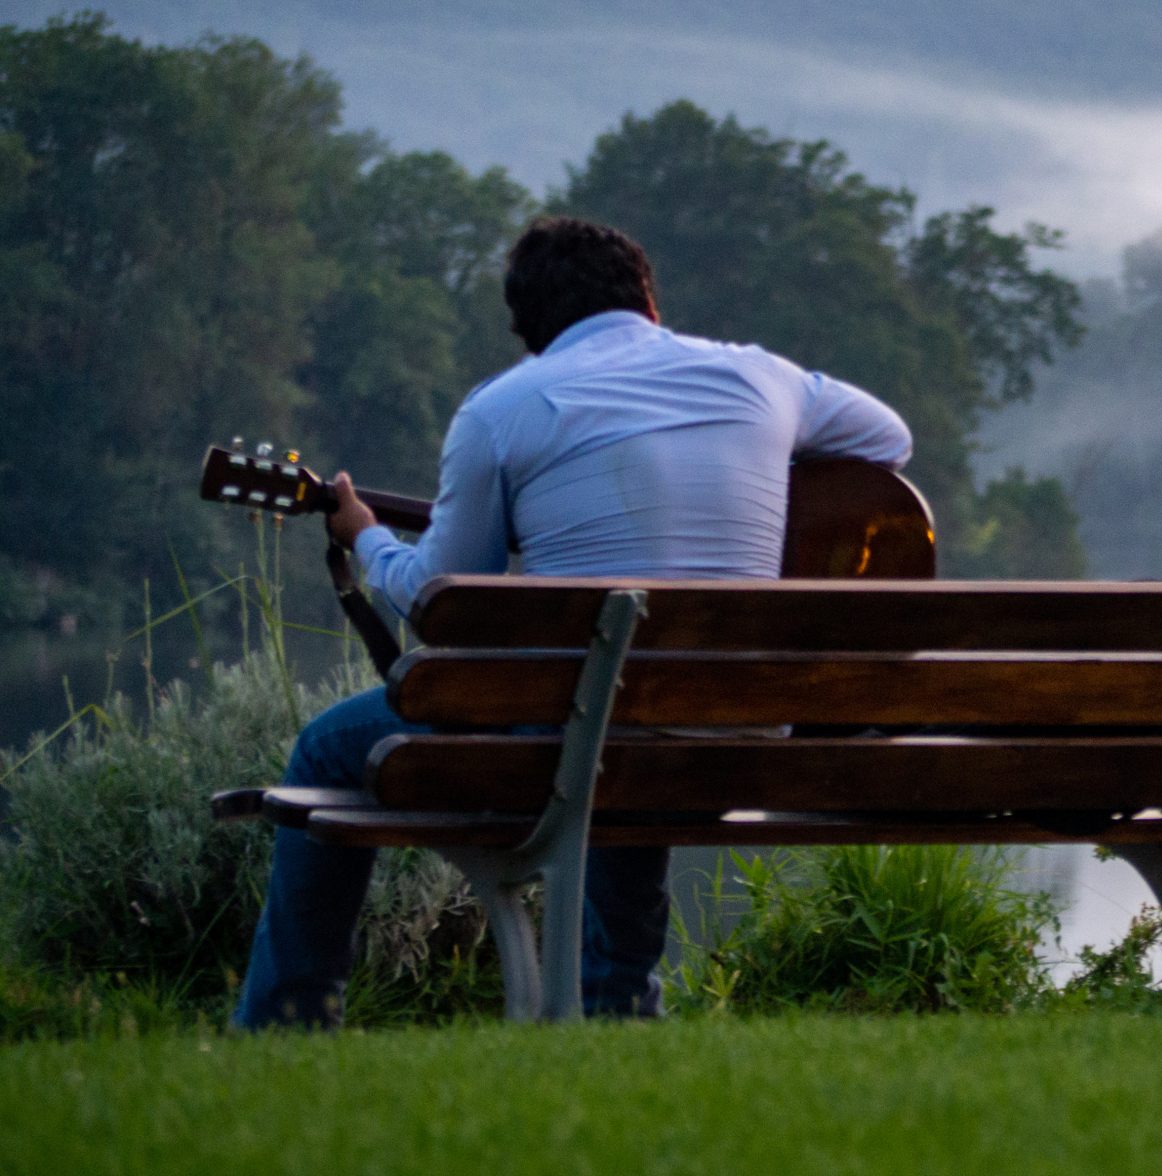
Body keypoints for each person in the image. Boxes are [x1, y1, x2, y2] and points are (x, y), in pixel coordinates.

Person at [234, 216, 912, 1027]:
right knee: (630, 708)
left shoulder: (502, 410)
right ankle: (620, 999)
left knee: (330, 747)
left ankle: (286, 1021)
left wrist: (364, 536)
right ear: (649, 300)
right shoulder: (763, 378)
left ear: (529, 331)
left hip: (571, 740)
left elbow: (438, 600)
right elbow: (889, 438)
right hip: (740, 733)